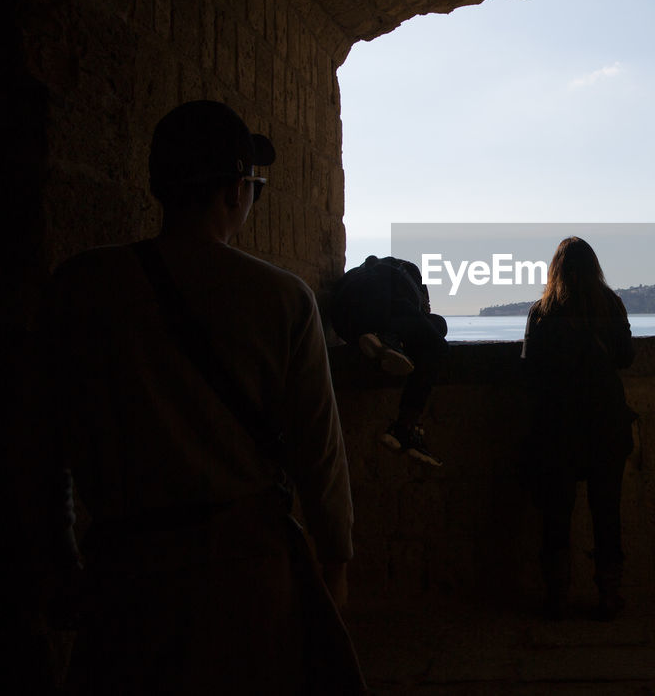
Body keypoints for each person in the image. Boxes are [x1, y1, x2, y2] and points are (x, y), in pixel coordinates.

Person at [41, 101, 361, 694]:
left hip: (126, 577)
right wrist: (335, 567)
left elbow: (43, 441)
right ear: (236, 192)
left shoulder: (80, 286)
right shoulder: (283, 300)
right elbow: (321, 454)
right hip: (243, 578)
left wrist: (60, 560)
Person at [521, 237, 636, 621]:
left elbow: (530, 370)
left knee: (556, 516)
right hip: (606, 424)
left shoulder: (542, 312)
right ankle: (609, 594)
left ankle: (557, 595)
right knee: (607, 513)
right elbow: (626, 357)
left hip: (558, 429)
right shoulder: (611, 306)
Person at [330, 255, 449, 466]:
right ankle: (405, 426)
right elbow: (378, 270)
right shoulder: (394, 273)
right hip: (372, 310)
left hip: (346, 322)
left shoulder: (366, 277)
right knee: (436, 341)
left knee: (437, 326)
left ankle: (385, 337)